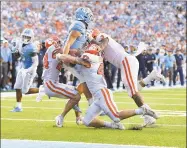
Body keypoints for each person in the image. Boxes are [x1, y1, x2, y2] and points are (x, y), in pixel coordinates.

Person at [56, 41, 158, 129]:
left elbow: (75, 60)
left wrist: (60, 56)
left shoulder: (88, 60)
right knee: (87, 121)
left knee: (116, 116)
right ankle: (112, 125)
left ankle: (142, 110)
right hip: (98, 96)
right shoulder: (94, 57)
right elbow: (80, 55)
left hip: (102, 93)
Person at [91, 29, 164, 126]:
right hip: (127, 61)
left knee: (133, 92)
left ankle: (148, 116)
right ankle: (150, 77)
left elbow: (104, 42)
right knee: (134, 89)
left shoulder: (101, 36)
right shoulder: (99, 44)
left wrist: (94, 44)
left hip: (125, 62)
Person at [36, 36, 82, 127]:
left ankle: (78, 117)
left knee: (76, 92)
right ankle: (60, 117)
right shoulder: (53, 49)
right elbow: (70, 53)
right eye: (58, 42)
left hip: (51, 83)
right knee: (76, 96)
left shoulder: (50, 52)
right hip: (51, 85)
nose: (60, 44)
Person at [11, 28, 39, 112]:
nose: (26, 39)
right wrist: (14, 51)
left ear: (31, 38)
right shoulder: (19, 43)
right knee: (17, 87)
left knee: (25, 91)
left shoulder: (32, 47)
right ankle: (18, 107)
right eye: (24, 36)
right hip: (22, 67)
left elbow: (35, 63)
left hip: (30, 70)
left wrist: (27, 71)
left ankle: (43, 90)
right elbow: (18, 56)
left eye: (28, 37)